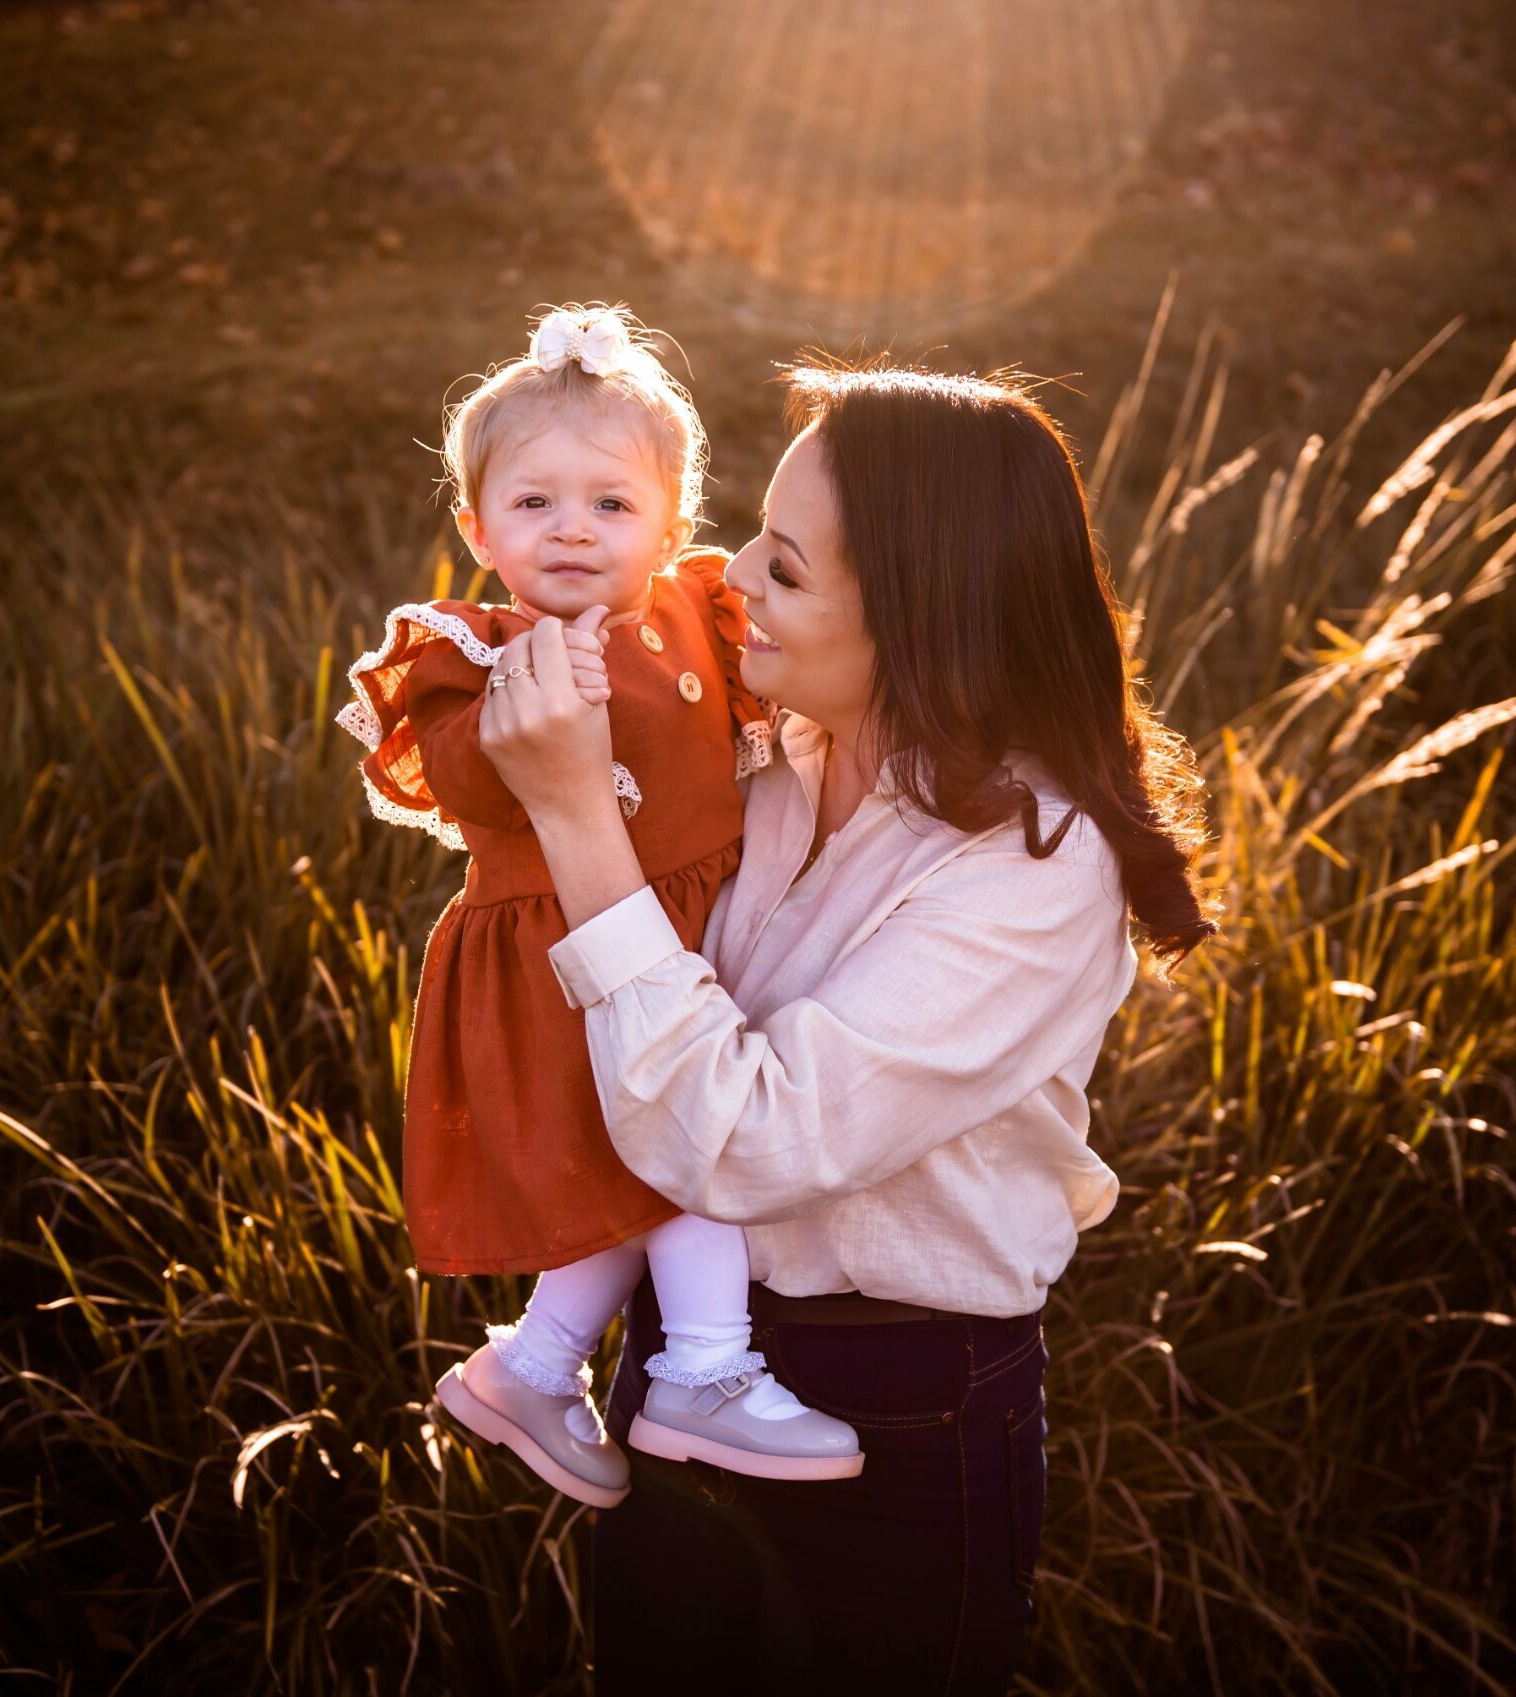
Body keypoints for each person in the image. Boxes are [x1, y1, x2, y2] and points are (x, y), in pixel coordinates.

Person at [473, 362, 1216, 1694]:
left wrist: (582, 816)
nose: (731, 571)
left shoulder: (1037, 865)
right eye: (752, 528)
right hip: (679, 1354)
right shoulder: (760, 753)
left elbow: (744, 1144)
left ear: (921, 621)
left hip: (900, 1411)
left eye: (790, 568)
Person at [334, 304, 860, 1514]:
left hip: (677, 935)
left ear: (671, 524)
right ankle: (707, 1367)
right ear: (476, 525)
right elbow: (458, 776)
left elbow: (770, 699)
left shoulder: (689, 610)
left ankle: (532, 1365)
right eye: (535, 503)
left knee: (634, 1167)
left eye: (612, 504)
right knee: (675, 1148)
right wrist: (523, 726)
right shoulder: (484, 650)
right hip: (565, 954)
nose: (574, 528)